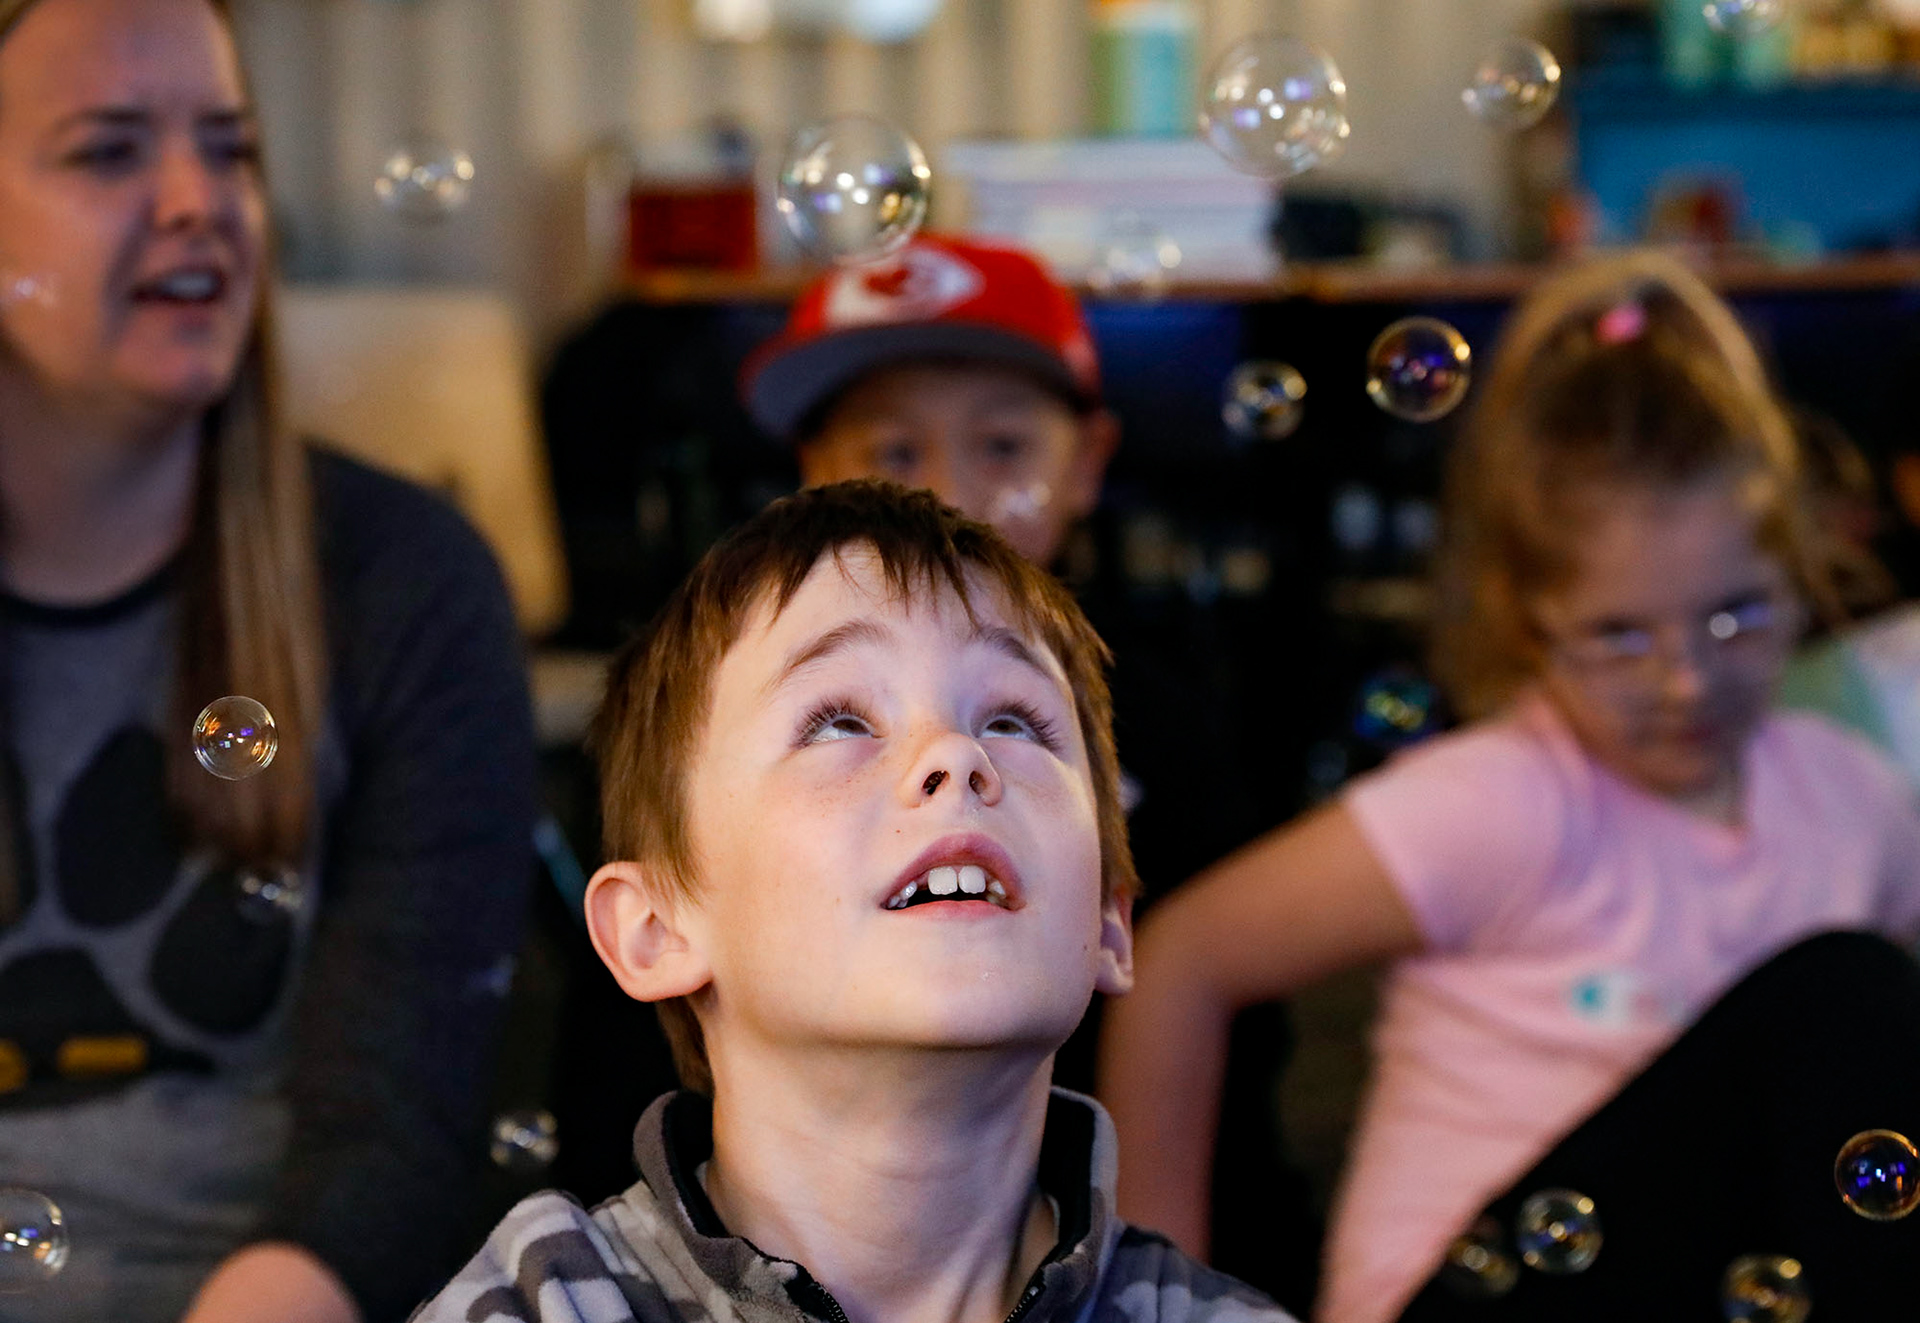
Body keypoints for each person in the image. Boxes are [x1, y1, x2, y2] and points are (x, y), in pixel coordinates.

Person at [1099, 250, 1920, 1323]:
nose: (1684, 680)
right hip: (1476, 1303)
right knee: (1840, 990)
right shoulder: (1507, 797)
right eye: (1619, 636)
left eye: (1737, 616)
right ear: (1532, 622)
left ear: (1807, 569)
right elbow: (1185, 957)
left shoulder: (1852, 796)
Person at [413, 480, 1295, 1323]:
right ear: (655, 929)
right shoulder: (535, 1305)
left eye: (1014, 721)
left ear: (1109, 919)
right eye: (838, 719)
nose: (956, 755)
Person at [0, 0, 536, 1318]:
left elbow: (398, 1127)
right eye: (108, 150)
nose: (198, 200)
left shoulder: (409, 585)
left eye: (230, 148)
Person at [739, 235, 1318, 1308]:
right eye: (894, 453)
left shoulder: (1163, 710)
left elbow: (1233, 1029)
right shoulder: (733, 718)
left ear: (1089, 462)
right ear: (811, 473)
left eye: (1004, 446)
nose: (951, 495)